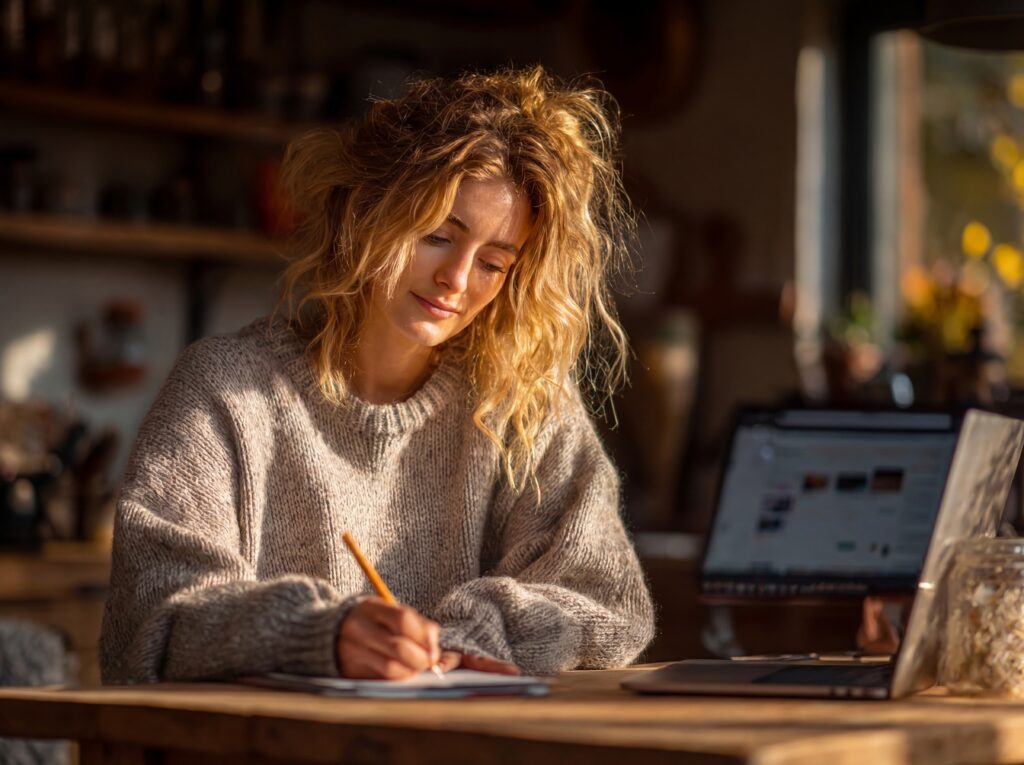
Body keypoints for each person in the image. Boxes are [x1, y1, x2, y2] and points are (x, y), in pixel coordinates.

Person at [100, 66, 654, 683]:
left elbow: (606, 600)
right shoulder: (225, 390)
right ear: (364, 212)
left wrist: (453, 643)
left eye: (494, 263)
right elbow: (152, 621)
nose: (458, 280)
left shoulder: (524, 402)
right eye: (439, 236)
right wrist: (319, 636)